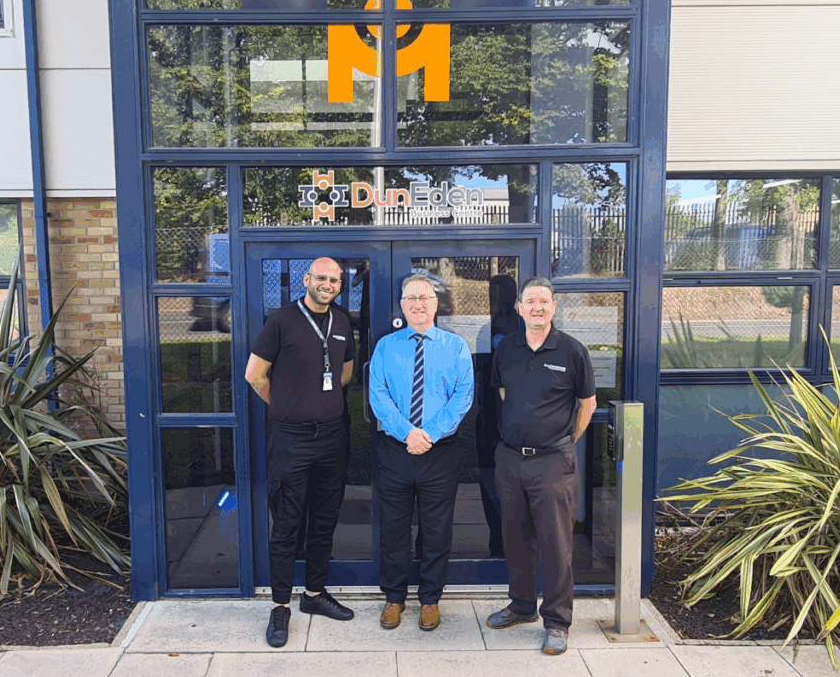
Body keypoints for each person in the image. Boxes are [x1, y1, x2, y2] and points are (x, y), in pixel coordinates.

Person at [244, 257, 356, 648]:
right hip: (291, 438)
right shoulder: (282, 321)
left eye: (335, 280)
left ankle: (313, 595)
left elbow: (344, 371)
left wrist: (319, 400)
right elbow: (254, 374)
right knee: (288, 524)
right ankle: (280, 607)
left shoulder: (342, 321)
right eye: (321, 278)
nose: (328, 284)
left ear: (341, 285)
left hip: (331, 437)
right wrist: (286, 405)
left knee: (324, 520)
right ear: (307, 280)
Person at [486, 277, 596, 655]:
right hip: (511, 459)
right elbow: (503, 395)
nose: (537, 307)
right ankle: (520, 607)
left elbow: (588, 405)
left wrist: (564, 443)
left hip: (553, 461)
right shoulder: (507, 350)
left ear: (553, 308)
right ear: (518, 307)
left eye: (544, 301)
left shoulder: (572, 351)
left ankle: (557, 621)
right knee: (514, 538)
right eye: (530, 301)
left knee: (556, 543)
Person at [369, 273, 474, 632]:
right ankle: (394, 598)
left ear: (435, 304)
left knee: (436, 529)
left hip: (440, 452)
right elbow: (377, 396)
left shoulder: (456, 346)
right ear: (402, 305)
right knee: (394, 529)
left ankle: (430, 599)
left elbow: (462, 398)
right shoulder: (386, 346)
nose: (417, 304)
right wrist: (407, 433)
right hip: (394, 451)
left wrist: (427, 433)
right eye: (410, 298)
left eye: (424, 297)